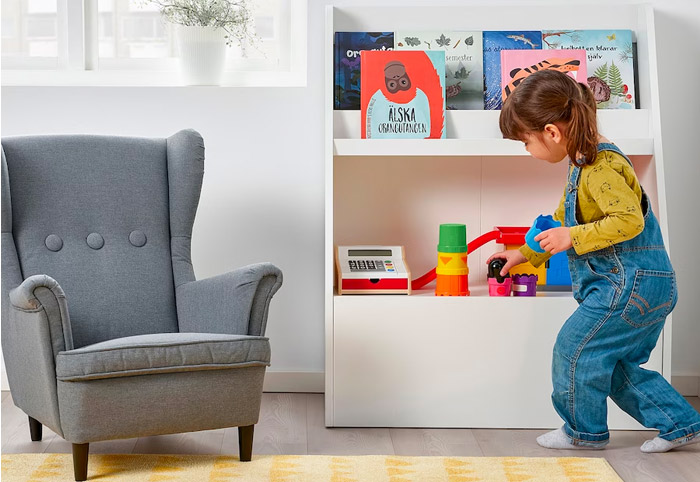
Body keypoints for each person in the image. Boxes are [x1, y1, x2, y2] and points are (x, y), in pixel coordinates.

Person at [488, 69, 700, 452]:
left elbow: (628, 220)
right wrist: (523, 254)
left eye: (525, 141)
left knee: (575, 349)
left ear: (552, 132)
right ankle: (679, 422)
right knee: (611, 365)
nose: (526, 150)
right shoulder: (582, 162)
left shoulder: (601, 168)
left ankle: (582, 432)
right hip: (641, 284)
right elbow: (562, 222)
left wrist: (573, 236)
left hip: (626, 286)